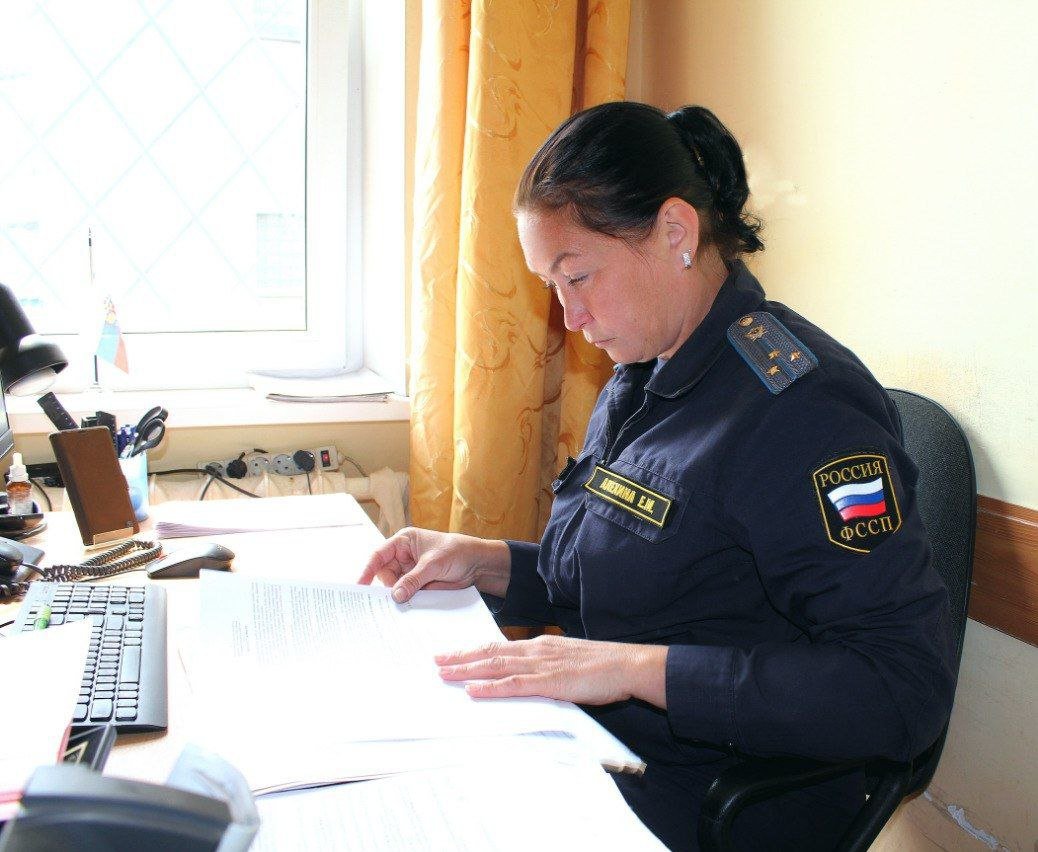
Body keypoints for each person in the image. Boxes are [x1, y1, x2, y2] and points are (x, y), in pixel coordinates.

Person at [361, 102, 955, 851]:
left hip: (710, 799)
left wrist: (636, 670)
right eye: (552, 286)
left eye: (578, 276)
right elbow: (641, 579)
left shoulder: (803, 409)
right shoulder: (644, 370)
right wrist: (487, 563)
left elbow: (902, 689)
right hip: (600, 752)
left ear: (675, 232)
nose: (570, 316)